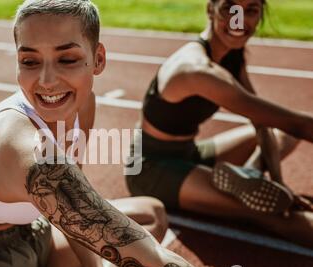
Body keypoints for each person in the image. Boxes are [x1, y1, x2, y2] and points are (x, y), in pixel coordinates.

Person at [0, 0, 230, 267]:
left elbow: (78, 209)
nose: (47, 81)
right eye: (30, 61)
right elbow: (152, 260)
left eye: (66, 59)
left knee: (151, 215)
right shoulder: (25, 151)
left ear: (98, 59)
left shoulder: (81, 105)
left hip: (34, 236)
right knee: (139, 253)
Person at [126, 0, 313, 248]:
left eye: (251, 10)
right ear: (210, 9)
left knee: (281, 134)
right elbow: (296, 124)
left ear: (260, 16)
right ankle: (250, 187)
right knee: (271, 214)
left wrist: (277, 182)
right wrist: (280, 196)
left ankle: (251, 173)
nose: (239, 20)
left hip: (191, 153)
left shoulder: (231, 54)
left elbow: (263, 125)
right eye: (229, 8)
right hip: (152, 170)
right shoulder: (196, 69)